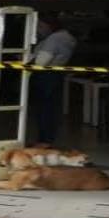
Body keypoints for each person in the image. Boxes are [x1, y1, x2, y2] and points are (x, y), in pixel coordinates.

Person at [30, 15, 77, 146]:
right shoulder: (68, 38)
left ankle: (43, 140)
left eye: (40, 26)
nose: (39, 30)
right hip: (57, 74)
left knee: (43, 109)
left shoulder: (54, 38)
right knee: (51, 108)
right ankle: (48, 139)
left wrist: (31, 60)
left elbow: (41, 61)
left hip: (45, 75)